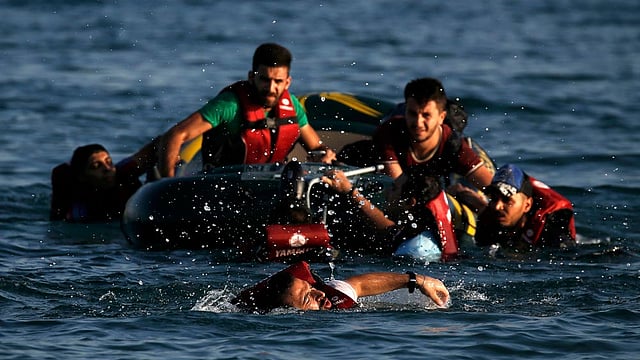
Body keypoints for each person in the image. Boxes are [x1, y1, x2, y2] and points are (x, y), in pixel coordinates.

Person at [157, 43, 336, 177]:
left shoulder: (292, 106)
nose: (271, 88)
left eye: (278, 82)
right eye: (265, 80)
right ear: (252, 77)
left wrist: (324, 154)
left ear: (287, 82)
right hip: (223, 184)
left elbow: (316, 147)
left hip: (268, 185)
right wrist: (167, 184)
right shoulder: (229, 105)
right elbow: (175, 135)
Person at [321, 168, 476, 262]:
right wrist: (351, 192)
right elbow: (390, 230)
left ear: (410, 202)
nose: (388, 192)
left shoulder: (414, 251)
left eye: (394, 188)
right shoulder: (420, 230)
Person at [231, 261, 449, 313]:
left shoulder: (332, 293)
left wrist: (418, 280)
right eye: (308, 299)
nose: (319, 293)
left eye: (310, 288)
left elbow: (360, 284)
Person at [473, 163, 576, 250]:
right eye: (494, 199)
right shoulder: (490, 220)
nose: (497, 206)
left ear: (527, 205)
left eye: (507, 200)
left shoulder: (552, 229)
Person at [50, 139, 158, 222]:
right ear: (82, 177)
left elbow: (160, 143)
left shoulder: (122, 172)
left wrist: (167, 173)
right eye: (96, 166)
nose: (107, 169)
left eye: (109, 162)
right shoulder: (80, 210)